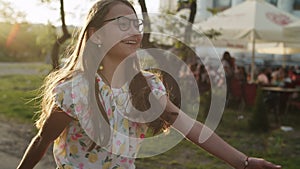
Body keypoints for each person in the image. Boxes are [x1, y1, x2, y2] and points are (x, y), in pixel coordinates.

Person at [17, 0, 282, 169]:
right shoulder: (75, 91)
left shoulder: (147, 89)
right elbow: (43, 140)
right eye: (122, 24)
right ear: (96, 35)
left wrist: (244, 163)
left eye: (137, 24)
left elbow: (192, 128)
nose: (134, 31)